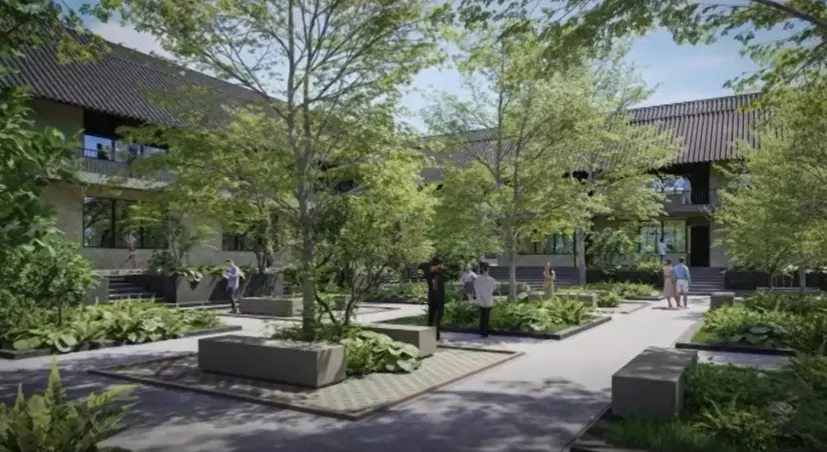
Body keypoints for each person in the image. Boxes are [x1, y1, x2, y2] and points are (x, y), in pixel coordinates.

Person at [473, 262, 496, 337]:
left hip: (480, 300)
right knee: (486, 317)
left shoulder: (477, 279)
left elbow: (475, 289)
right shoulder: (491, 280)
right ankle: (485, 333)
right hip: (488, 300)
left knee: (482, 316)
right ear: (488, 269)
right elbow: (493, 289)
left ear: (481, 269)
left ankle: (481, 332)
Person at [426, 258, 447, 340]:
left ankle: (432, 335)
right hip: (437, 299)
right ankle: (435, 336)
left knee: (433, 318)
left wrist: (439, 270)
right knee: (435, 318)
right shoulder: (433, 273)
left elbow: (446, 278)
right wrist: (436, 270)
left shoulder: (440, 273)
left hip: (434, 298)